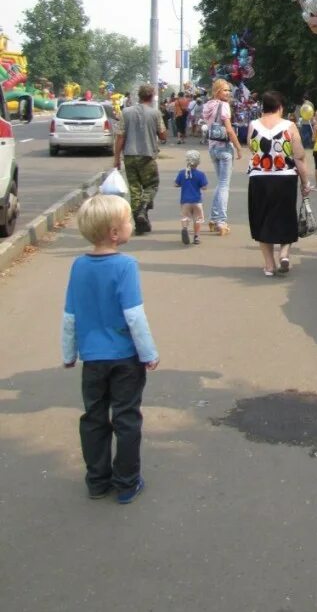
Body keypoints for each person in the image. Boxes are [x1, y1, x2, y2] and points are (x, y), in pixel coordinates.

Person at [61, 194, 159, 504]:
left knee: (94, 417)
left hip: (92, 360)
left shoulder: (78, 266)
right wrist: (148, 352)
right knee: (126, 418)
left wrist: (68, 353)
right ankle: (127, 482)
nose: (133, 225)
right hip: (124, 359)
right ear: (114, 233)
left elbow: (70, 315)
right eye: (129, 220)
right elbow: (134, 316)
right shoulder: (125, 266)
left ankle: (97, 480)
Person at [246, 89, 311, 276]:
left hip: (259, 178)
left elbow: (252, 148)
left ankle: (269, 265)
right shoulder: (289, 126)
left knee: (261, 219)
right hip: (285, 178)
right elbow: (299, 156)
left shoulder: (253, 125)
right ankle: (284, 253)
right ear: (280, 107)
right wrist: (305, 182)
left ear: (263, 107)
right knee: (286, 216)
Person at [113, 83, 167, 235]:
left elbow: (120, 137)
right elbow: (163, 135)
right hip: (147, 156)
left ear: (139, 96)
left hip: (129, 156)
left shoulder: (126, 112)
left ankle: (140, 223)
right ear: (151, 97)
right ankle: (143, 208)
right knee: (152, 185)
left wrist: (117, 158)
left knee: (135, 189)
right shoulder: (155, 113)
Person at [201, 79, 242, 235]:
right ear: (217, 91)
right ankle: (222, 222)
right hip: (224, 148)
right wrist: (238, 147)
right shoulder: (223, 106)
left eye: (229, 90)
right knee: (224, 185)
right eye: (225, 90)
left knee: (220, 184)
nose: (228, 93)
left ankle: (213, 218)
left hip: (212, 148)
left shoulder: (208, 105)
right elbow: (230, 130)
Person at [174, 149, 208, 245]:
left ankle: (185, 228)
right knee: (197, 219)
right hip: (197, 201)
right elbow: (204, 187)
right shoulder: (200, 174)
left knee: (185, 217)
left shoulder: (182, 173)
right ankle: (196, 236)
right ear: (198, 162)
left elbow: (176, 184)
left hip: (185, 201)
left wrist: (182, 184)